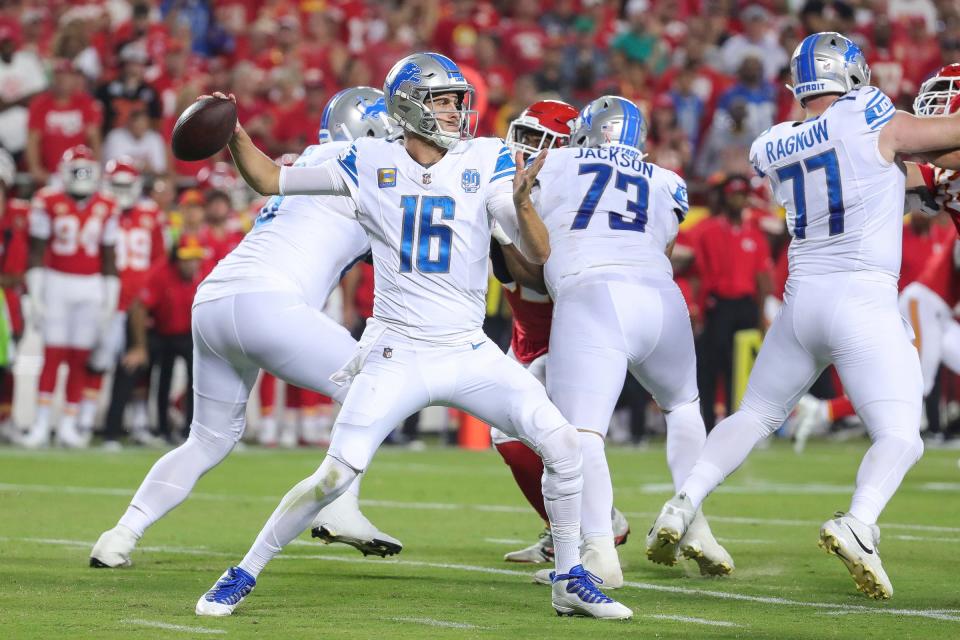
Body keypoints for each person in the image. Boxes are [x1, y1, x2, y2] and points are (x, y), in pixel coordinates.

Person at [194, 53, 630, 619]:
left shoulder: (487, 157)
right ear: (407, 106)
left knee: (565, 444)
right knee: (334, 474)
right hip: (397, 350)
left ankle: (570, 576)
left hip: (468, 348)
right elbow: (269, 179)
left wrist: (522, 204)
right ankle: (243, 572)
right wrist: (233, 133)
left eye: (456, 100)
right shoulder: (366, 159)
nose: (456, 111)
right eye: (443, 100)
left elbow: (540, 254)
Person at [647, 32, 960, 600]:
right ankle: (860, 523)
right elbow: (938, 139)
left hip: (802, 299)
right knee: (901, 435)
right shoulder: (869, 114)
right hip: (862, 297)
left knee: (754, 414)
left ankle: (683, 501)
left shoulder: (773, 142)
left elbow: (885, 169)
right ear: (852, 74)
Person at [89, 87, 402, 569]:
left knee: (206, 440)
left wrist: (234, 131)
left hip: (215, 299)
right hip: (270, 302)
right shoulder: (369, 167)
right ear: (373, 130)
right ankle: (340, 508)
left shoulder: (310, 161)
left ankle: (119, 535)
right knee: (372, 389)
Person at [516, 95, 731, 589]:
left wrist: (522, 203)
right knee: (682, 409)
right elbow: (665, 248)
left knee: (582, 433)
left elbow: (539, 249)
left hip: (593, 295)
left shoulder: (558, 160)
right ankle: (694, 519)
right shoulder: (667, 180)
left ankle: (598, 552)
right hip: (661, 297)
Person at [491, 99, 630, 565]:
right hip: (527, 332)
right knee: (518, 437)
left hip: (566, 335)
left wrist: (503, 234)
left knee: (547, 436)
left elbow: (538, 275)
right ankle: (566, 531)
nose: (524, 145)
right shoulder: (519, 183)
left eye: (537, 139)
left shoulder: (564, 195)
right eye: (523, 134)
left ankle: (600, 528)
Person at [19, 145, 119, 448]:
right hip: (56, 280)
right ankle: (40, 422)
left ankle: (68, 424)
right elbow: (36, 252)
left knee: (79, 357)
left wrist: (110, 299)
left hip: (89, 284)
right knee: (53, 354)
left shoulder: (107, 204)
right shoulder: (47, 200)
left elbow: (109, 257)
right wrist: (36, 295)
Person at [693, 175, 773, 430]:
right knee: (711, 367)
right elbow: (700, 274)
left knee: (740, 370)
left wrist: (762, 316)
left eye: (741, 195)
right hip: (719, 307)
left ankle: (737, 423)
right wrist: (699, 309)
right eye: (733, 195)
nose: (737, 200)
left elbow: (762, 279)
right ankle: (707, 424)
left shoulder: (755, 234)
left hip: (745, 306)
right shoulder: (709, 231)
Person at [98, 159, 168, 448]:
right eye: (116, 186)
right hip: (107, 300)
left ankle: (138, 422)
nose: (120, 192)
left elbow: (159, 259)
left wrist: (151, 297)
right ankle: (91, 420)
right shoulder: (102, 211)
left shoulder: (151, 214)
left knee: (141, 366)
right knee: (99, 361)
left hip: (141, 300)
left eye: (125, 186)